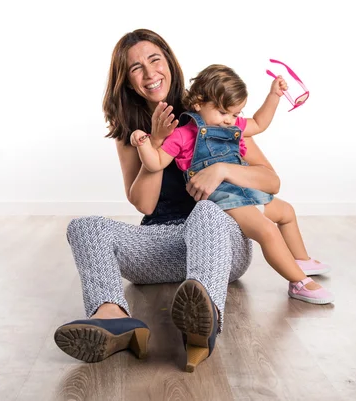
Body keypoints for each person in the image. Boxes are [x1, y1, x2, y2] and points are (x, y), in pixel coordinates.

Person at [54, 29, 300, 372]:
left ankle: (205, 318)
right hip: (164, 243)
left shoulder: (212, 111)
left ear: (169, 62)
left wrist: (222, 170)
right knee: (85, 228)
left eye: (155, 60)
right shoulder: (130, 131)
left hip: (221, 242)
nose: (150, 72)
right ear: (127, 81)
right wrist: (154, 143)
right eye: (136, 68)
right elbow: (145, 205)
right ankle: (113, 318)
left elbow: (270, 180)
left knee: (206, 212)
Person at [132, 64, 335, 306]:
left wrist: (274, 96)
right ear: (198, 102)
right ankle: (298, 281)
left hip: (243, 190)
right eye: (222, 112)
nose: (229, 120)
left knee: (286, 212)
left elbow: (259, 123)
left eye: (235, 113)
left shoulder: (233, 125)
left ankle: (300, 259)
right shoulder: (183, 134)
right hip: (222, 200)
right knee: (266, 231)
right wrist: (143, 143)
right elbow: (156, 163)